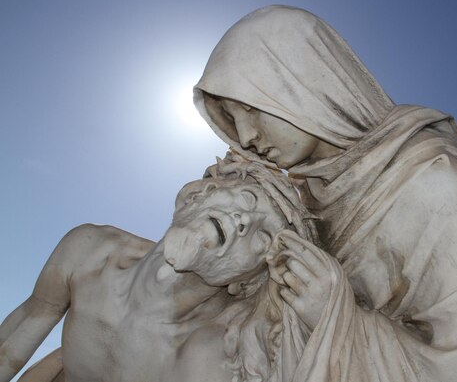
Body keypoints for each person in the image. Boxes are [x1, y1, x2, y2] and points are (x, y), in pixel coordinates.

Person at [193, 5, 457, 381]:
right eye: (233, 119)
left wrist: (335, 316)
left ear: (302, 84)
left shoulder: (439, 189)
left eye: (249, 108)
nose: (245, 137)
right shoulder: (294, 205)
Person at [0, 159, 313, 382]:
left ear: (245, 283)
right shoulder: (90, 251)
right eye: (247, 196)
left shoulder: (216, 357)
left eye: (264, 237)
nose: (245, 220)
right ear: (194, 196)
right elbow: (18, 335)